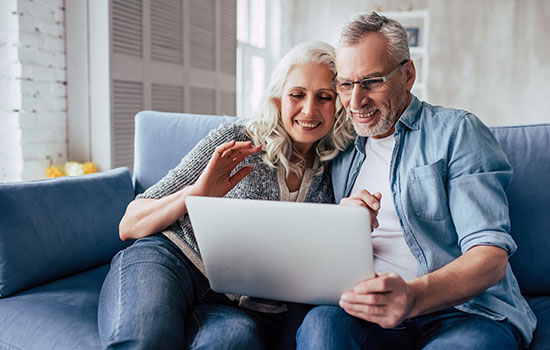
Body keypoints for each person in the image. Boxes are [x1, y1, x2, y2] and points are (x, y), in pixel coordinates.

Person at [296, 12, 537, 350]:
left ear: (407, 75)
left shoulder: (457, 132)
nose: (355, 101)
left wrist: (413, 296)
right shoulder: (339, 144)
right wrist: (343, 223)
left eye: (372, 81)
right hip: (370, 312)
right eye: (346, 84)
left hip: (465, 313)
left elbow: (490, 255)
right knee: (321, 324)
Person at [97, 40, 355, 349]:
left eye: (324, 97)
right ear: (278, 100)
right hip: (170, 260)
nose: (309, 109)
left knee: (232, 343)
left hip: (232, 305)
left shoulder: (336, 169)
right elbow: (129, 224)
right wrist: (198, 193)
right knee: (147, 339)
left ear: (338, 103)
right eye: (296, 95)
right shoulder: (237, 140)